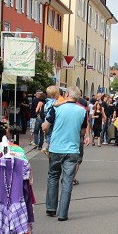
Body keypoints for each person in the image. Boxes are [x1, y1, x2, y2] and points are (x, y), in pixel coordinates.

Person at [44, 86, 88, 221]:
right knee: (68, 180)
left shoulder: (56, 108)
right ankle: (63, 213)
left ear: (67, 94)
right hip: (73, 149)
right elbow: (82, 131)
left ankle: (51, 208)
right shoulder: (82, 111)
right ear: (79, 97)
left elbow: (45, 126)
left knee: (53, 176)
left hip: (56, 148)